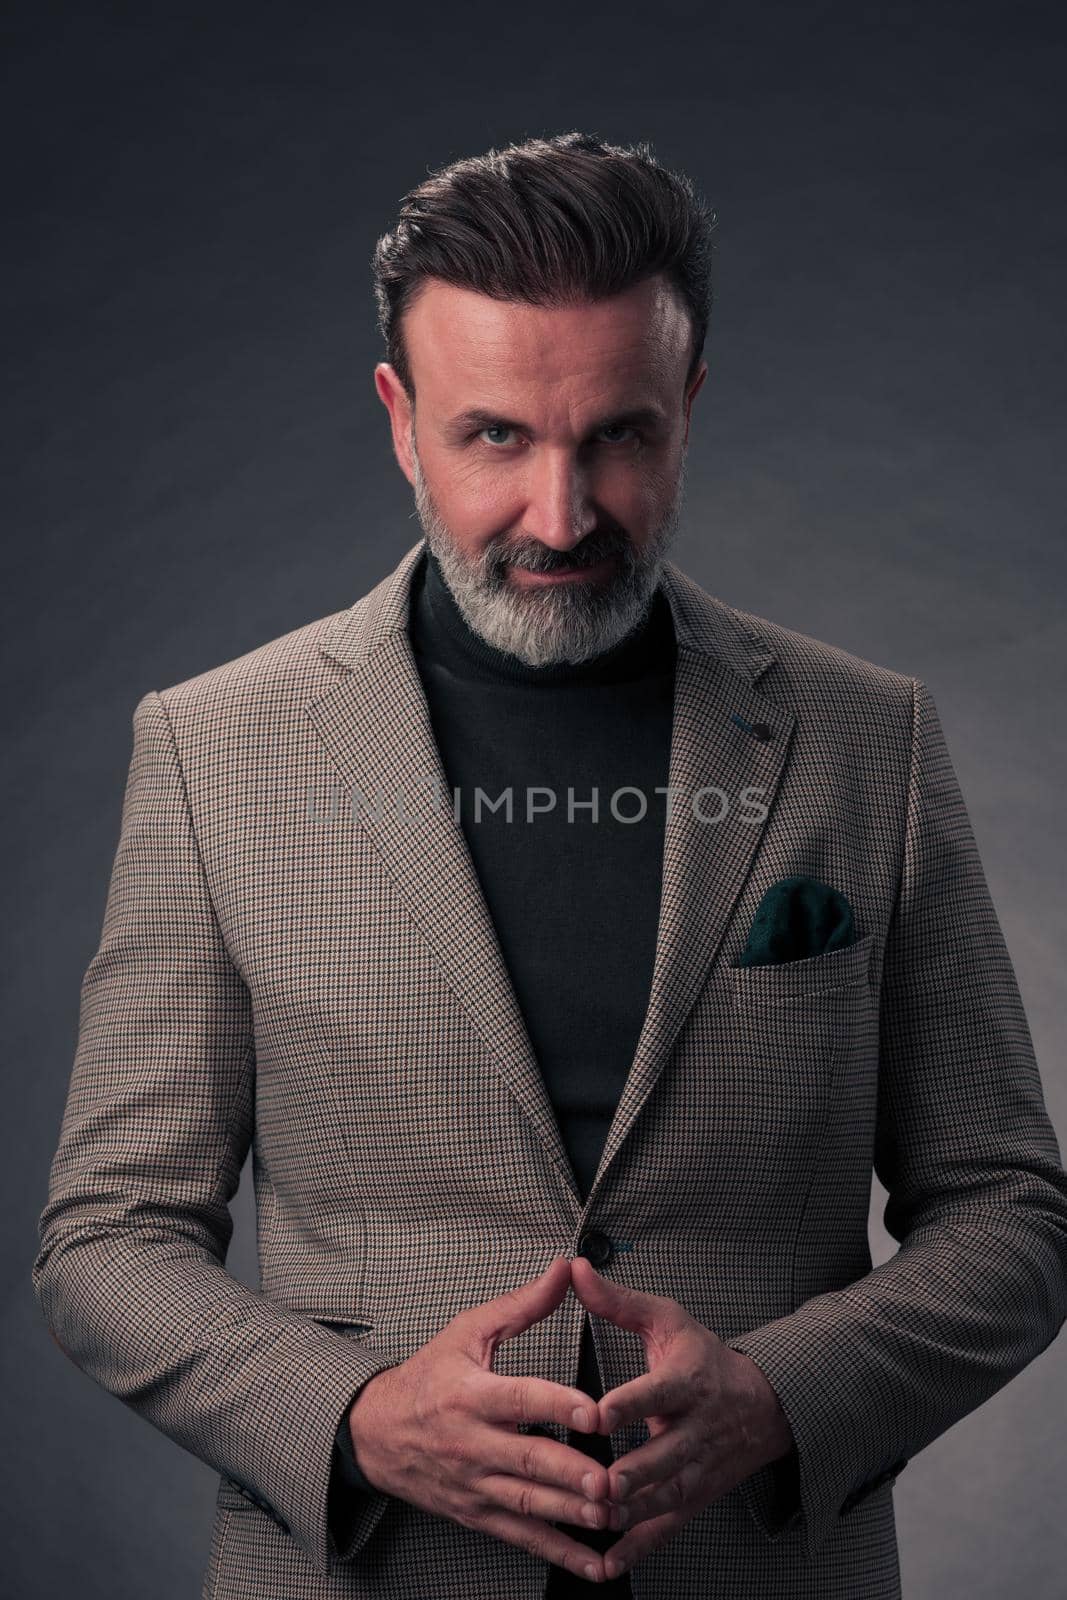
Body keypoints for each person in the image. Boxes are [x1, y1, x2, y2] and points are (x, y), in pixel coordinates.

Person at [33, 132, 1067, 1600]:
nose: (562, 516)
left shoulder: (866, 741)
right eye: (496, 438)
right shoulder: (217, 750)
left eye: (619, 437)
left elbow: (1013, 1213)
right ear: (401, 421)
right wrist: (357, 1418)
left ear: (690, 410)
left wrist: (783, 1400)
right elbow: (107, 1240)